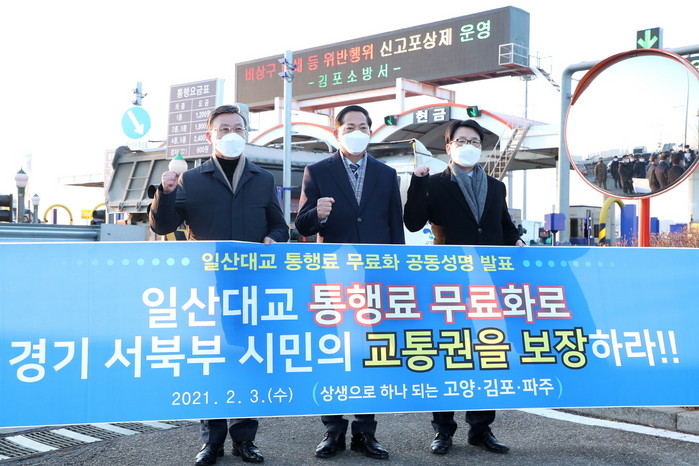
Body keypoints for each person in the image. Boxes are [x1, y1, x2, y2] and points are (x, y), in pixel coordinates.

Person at [150, 104, 289, 466]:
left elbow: (280, 225)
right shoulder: (191, 180)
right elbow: (163, 226)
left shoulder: (262, 178)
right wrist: (165, 192)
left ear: (247, 133)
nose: (232, 134)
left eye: (238, 128)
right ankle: (211, 441)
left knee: (248, 358)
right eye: (224, 128)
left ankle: (245, 439)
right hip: (207, 286)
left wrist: (274, 238)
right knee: (212, 360)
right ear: (209, 136)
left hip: (252, 287)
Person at [403, 119, 525, 457]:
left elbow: (503, 225)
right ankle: (443, 430)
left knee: (487, 351)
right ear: (449, 147)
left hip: (488, 281)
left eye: (474, 141)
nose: (467, 145)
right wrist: (417, 182)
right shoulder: (433, 183)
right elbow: (412, 222)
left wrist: (516, 239)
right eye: (461, 140)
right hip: (449, 283)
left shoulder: (496, 187)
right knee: (449, 352)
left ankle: (481, 428)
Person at [295, 104, 404, 460]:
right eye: (349, 126)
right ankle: (333, 431)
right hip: (334, 275)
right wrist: (317, 213)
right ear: (336, 132)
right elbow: (302, 225)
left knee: (369, 352)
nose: (357, 132)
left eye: (363, 126)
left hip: (374, 275)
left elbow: (395, 227)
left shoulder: (387, 174)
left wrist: (395, 273)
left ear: (371, 131)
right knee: (335, 350)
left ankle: (366, 432)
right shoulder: (317, 171)